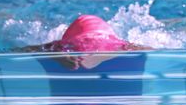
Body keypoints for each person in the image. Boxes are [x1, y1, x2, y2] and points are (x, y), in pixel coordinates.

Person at [17, 14, 147, 69]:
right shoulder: (70, 46)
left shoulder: (115, 45)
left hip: (100, 35)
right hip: (80, 35)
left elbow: (26, 50)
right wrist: (57, 56)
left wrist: (56, 56)